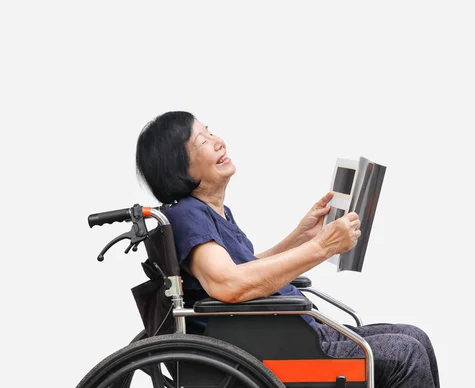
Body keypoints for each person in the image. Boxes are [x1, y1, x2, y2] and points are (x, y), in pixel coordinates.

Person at [136, 110, 440, 388]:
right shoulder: (187, 215)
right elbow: (228, 285)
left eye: (211, 132)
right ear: (178, 166)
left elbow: (245, 269)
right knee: (405, 354)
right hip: (273, 352)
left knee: (416, 337)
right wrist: (322, 247)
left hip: (291, 334)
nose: (218, 142)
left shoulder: (212, 213)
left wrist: (301, 237)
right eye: (202, 140)